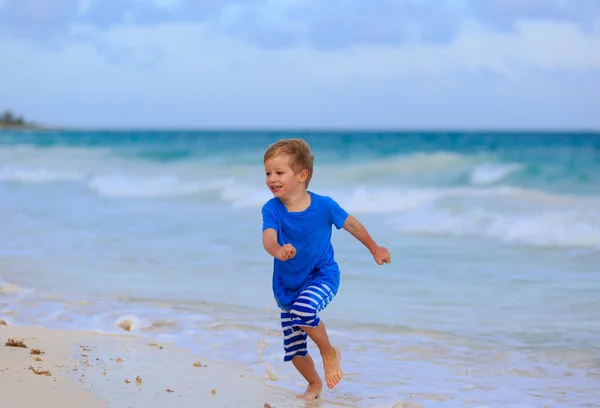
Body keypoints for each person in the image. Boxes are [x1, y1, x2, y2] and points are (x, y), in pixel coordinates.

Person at [261, 138, 391, 400]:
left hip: (322, 276)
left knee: (304, 310)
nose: (271, 178)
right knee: (294, 350)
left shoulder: (324, 206)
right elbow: (268, 237)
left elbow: (352, 225)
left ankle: (329, 352)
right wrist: (278, 251)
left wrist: (374, 248)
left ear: (301, 175)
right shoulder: (272, 208)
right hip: (288, 286)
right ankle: (314, 383)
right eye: (267, 173)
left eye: (278, 172)